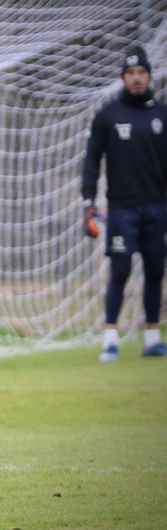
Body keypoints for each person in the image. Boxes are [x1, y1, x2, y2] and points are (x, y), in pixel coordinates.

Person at [82, 46, 167, 363]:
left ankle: (152, 338)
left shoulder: (162, 114)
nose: (136, 78)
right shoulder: (108, 117)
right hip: (120, 208)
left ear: (148, 76)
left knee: (156, 270)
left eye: (141, 73)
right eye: (130, 73)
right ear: (123, 77)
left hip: (157, 206)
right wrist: (89, 203)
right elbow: (91, 162)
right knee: (120, 269)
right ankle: (110, 340)